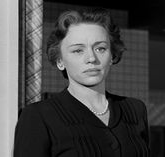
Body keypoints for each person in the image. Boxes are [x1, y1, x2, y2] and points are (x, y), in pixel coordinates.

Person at [13, 7, 150, 157]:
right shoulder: (38, 116)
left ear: (112, 56)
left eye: (100, 49)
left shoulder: (135, 109)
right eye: (78, 50)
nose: (91, 58)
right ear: (60, 61)